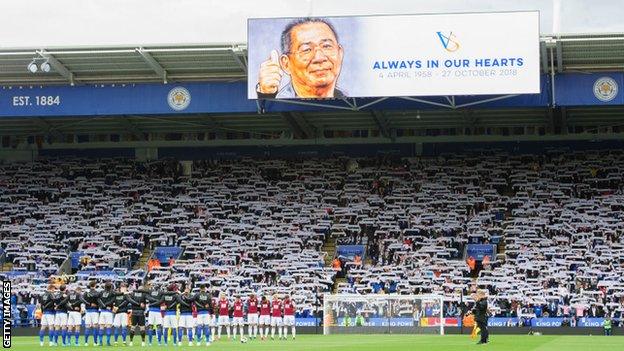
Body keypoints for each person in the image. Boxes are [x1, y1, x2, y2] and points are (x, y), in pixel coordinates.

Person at [256, 17, 346, 99]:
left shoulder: (347, 100)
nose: (319, 57)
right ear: (286, 64)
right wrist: (266, 95)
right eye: (306, 50)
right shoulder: (280, 104)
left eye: (326, 46)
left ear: (340, 53)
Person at [81, 280, 101, 346]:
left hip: (88, 312)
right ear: (95, 285)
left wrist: (88, 303)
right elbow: (99, 301)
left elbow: (81, 299)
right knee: (95, 326)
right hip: (95, 311)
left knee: (87, 327)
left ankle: (86, 342)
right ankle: (95, 342)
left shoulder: (86, 293)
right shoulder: (97, 293)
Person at [97, 281, 116, 346]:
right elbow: (113, 300)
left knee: (101, 327)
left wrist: (102, 305)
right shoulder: (112, 293)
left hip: (102, 311)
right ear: (111, 287)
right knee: (108, 327)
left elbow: (98, 299)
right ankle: (108, 342)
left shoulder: (101, 292)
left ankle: (100, 342)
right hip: (109, 312)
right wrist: (106, 305)